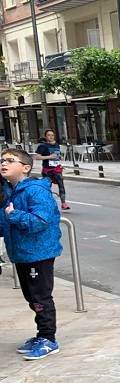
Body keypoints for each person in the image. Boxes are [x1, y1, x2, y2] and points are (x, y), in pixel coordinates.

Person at [1, 148, 64, 360]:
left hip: (39, 252)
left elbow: (40, 221)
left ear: (26, 168)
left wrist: (14, 215)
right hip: (21, 253)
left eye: (10, 160)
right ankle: (41, 335)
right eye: (2, 160)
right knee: (31, 296)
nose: (4, 163)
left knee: (40, 297)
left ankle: (49, 339)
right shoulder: (9, 191)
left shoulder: (35, 191)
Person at [35, 129, 69, 211]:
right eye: (49, 135)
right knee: (47, 187)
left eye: (52, 135)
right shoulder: (42, 146)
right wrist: (49, 157)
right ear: (46, 137)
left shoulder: (57, 145)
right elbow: (37, 157)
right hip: (47, 170)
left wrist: (60, 157)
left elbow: (57, 155)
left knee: (61, 185)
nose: (51, 137)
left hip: (56, 169)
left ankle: (63, 203)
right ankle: (47, 203)